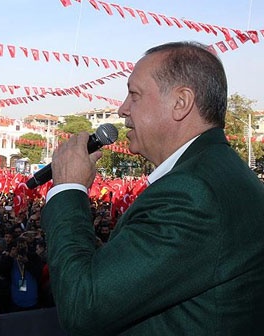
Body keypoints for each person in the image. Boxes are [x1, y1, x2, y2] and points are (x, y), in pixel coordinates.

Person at [41, 41, 264, 335]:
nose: (122, 109)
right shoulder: (213, 170)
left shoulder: (193, 193)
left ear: (181, 103)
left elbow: (83, 306)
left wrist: (69, 189)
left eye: (134, 95)